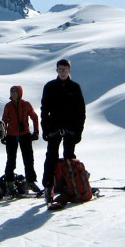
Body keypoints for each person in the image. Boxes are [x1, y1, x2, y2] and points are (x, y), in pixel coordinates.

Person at [40, 58, 86, 202]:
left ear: (69, 70)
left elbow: (81, 111)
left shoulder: (75, 87)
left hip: (71, 128)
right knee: (51, 157)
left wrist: (79, 131)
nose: (62, 72)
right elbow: (44, 110)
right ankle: (48, 187)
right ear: (56, 70)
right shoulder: (50, 87)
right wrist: (45, 128)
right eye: (60, 69)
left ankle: (70, 185)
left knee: (69, 157)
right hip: (54, 128)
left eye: (65, 69)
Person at [1, 85, 41, 194]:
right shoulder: (8, 106)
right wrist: (3, 134)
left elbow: (35, 117)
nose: (13, 94)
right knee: (11, 160)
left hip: (24, 135)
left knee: (28, 160)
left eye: (15, 92)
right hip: (11, 135)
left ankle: (31, 181)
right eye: (12, 92)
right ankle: (10, 184)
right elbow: (4, 121)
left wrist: (36, 132)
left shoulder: (26, 104)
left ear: (20, 93)